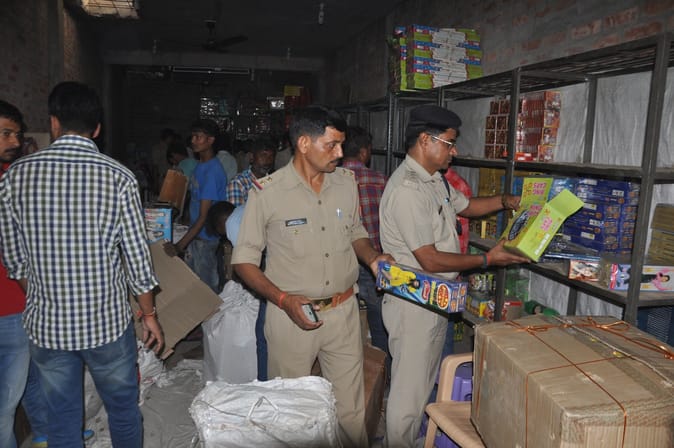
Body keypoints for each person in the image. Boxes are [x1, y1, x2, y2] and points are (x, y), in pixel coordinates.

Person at [0, 82, 163, 448]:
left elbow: (14, 260)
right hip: (107, 325)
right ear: (97, 128)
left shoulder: (15, 177)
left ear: (54, 122)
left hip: (48, 328)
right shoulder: (119, 177)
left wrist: (45, 294)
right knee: (122, 410)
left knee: (62, 416)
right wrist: (149, 315)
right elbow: (137, 259)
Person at [231, 105, 393, 448]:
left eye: (342, 144)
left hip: (343, 313)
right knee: (291, 413)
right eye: (331, 145)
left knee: (350, 411)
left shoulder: (345, 183)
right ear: (304, 143)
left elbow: (355, 231)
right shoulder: (268, 192)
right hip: (291, 316)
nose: (340, 153)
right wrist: (283, 300)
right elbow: (243, 261)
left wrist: (373, 258)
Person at [379, 104, 529, 448]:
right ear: (424, 140)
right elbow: (429, 259)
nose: (454, 151)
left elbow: (468, 207)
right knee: (407, 393)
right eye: (449, 143)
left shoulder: (434, 181)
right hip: (412, 303)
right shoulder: (408, 190)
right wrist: (487, 259)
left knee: (423, 383)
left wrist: (505, 201)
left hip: (434, 299)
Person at [341, 126, 390, 369]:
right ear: (363, 152)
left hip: (342, 261)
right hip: (373, 259)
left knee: (342, 319)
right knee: (379, 319)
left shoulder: (332, 181)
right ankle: (382, 370)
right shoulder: (381, 180)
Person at [165, 118, 228, 293]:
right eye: (192, 136)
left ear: (210, 140)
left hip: (205, 239)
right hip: (195, 236)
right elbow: (194, 200)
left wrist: (179, 246)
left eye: (198, 137)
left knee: (206, 292)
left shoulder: (212, 172)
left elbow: (203, 216)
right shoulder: (201, 165)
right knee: (193, 288)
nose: (193, 141)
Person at [224, 136, 276, 206]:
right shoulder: (238, 183)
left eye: (271, 156)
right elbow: (237, 212)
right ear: (252, 157)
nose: (268, 161)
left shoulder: (273, 180)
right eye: (263, 155)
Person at [150, 127, 176, 193]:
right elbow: (155, 166)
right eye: (171, 138)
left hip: (172, 178)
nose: (172, 139)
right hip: (163, 178)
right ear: (168, 137)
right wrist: (155, 182)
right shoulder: (158, 148)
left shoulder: (171, 147)